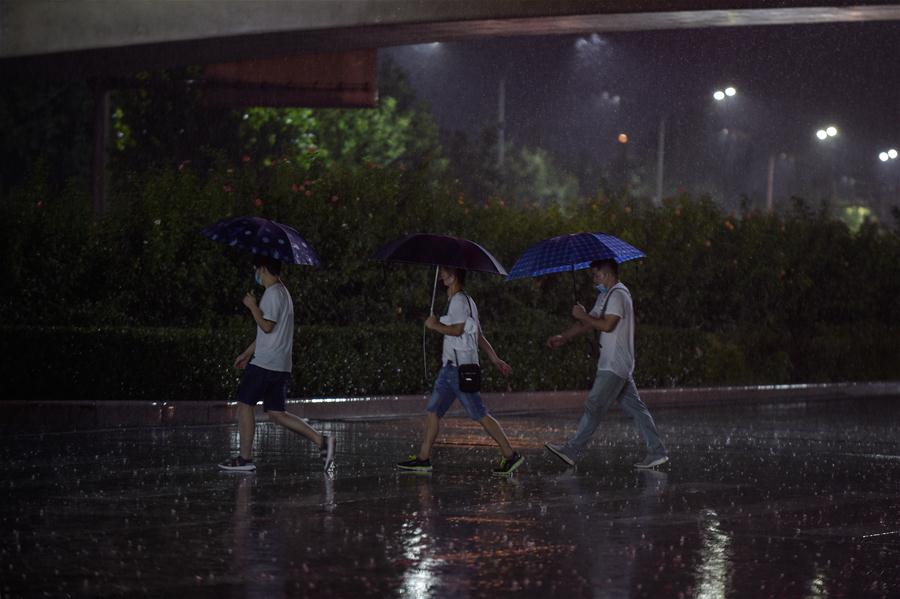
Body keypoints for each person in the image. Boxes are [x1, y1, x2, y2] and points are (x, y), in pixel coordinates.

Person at [397, 266, 524, 475]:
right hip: (451, 369)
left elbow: (457, 330)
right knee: (433, 412)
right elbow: (479, 335)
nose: (441, 276)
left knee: (479, 414)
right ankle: (423, 458)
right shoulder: (467, 301)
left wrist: (434, 325)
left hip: (458, 369)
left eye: (445, 273)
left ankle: (510, 455)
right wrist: (495, 358)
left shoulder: (458, 301)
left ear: (453, 276)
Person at [544, 259, 668, 469]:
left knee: (594, 406)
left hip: (614, 363)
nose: (594, 279)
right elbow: (588, 322)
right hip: (616, 363)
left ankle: (572, 450)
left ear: (608, 274)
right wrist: (563, 336)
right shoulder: (605, 295)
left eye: (597, 275)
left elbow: (608, 325)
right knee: (636, 409)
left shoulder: (619, 294)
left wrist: (584, 316)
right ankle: (657, 451)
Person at [219, 255, 335, 473]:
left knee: (245, 405)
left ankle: (244, 459)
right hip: (279, 364)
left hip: (265, 363)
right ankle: (322, 441)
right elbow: (269, 333)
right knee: (276, 413)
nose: (256, 274)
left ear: (263, 268)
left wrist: (253, 307)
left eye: (257, 269)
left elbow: (267, 327)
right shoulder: (283, 292)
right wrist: (246, 353)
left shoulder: (272, 295)